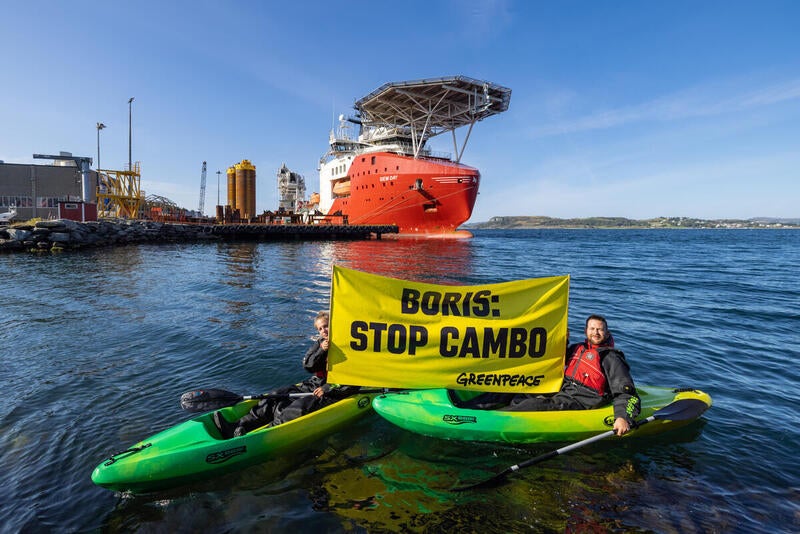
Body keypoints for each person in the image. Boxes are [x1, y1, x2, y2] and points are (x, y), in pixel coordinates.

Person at [465, 314, 641, 435]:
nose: (596, 332)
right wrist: (562, 339)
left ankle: (488, 422)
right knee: (514, 388)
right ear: (586, 331)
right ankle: (468, 408)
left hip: (582, 399)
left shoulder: (610, 357)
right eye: (592, 329)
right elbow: (554, 358)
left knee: (533, 405)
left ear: (606, 332)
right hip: (562, 387)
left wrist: (622, 417)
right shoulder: (578, 348)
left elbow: (626, 392)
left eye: (600, 329)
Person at [213, 311, 358, 439]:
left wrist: (328, 388)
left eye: (326, 326)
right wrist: (321, 350)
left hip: (333, 388)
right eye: (320, 329)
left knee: (299, 406)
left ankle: (263, 434)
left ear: (333, 324)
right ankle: (240, 425)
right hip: (314, 383)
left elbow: (352, 376)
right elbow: (308, 365)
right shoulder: (320, 343)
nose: (324, 330)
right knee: (276, 395)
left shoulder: (349, 345)